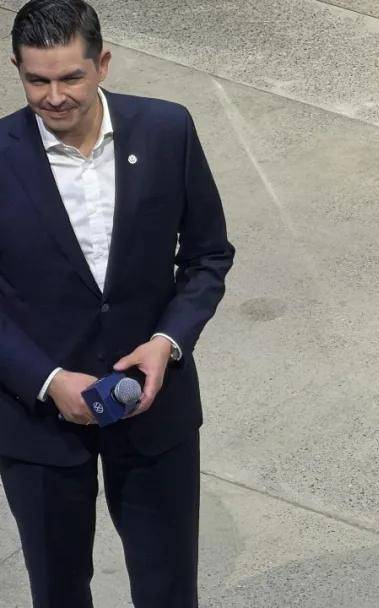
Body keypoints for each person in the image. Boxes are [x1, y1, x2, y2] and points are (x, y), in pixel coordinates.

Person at [0, 1, 234, 606]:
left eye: (71, 77)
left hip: (154, 412)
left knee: (168, 589)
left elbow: (208, 255)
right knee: (57, 591)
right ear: (17, 69)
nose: (55, 97)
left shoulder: (167, 131)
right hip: (37, 421)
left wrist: (166, 342)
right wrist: (48, 380)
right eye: (37, 80)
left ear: (102, 64)